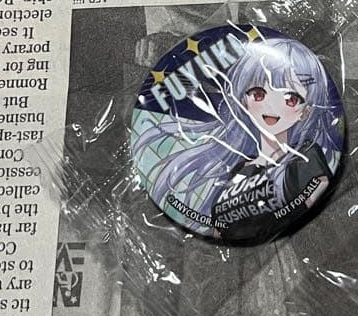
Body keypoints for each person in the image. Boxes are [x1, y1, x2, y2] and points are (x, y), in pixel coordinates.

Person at [131, 35, 343, 240]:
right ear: (244, 101)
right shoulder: (240, 169)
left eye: (290, 98)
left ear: (306, 111)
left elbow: (312, 218)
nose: (271, 105)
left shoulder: (304, 157)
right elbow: (219, 227)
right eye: (259, 94)